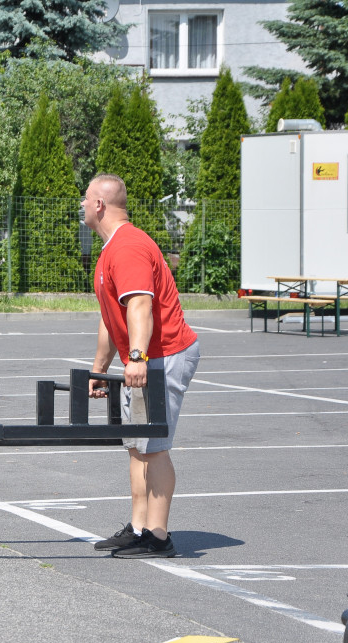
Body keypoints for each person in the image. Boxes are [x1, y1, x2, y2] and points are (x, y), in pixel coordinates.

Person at [81, 174, 200, 559]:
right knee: (136, 445)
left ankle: (159, 536)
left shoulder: (128, 246)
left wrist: (137, 357)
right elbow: (109, 317)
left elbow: (140, 306)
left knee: (153, 447)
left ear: (99, 205)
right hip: (148, 356)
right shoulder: (111, 249)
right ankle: (137, 528)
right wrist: (99, 369)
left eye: (85, 200)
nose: (81, 207)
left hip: (163, 354)